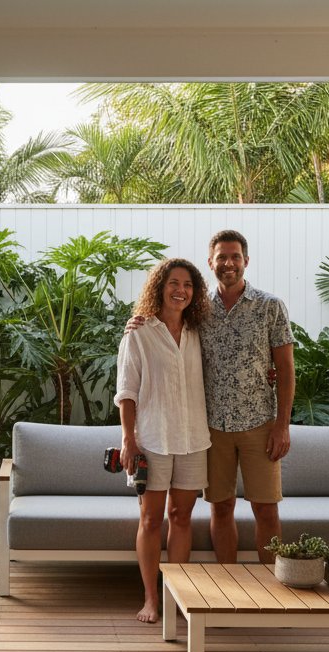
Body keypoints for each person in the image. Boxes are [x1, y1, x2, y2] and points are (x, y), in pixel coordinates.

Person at [125, 229, 294, 564]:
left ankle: (274, 591)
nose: (228, 263)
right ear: (211, 263)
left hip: (259, 423)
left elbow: (286, 371)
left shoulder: (269, 306)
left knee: (266, 508)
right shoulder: (199, 311)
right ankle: (227, 589)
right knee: (221, 507)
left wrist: (282, 426)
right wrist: (137, 320)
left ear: (246, 261)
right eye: (222, 258)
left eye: (235, 257)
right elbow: (164, 325)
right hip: (211, 427)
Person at [114, 258, 211, 623]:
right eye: (173, 282)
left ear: (194, 292)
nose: (180, 290)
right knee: (151, 520)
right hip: (151, 439)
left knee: (181, 517)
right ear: (160, 287)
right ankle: (151, 598)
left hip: (192, 439)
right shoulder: (138, 333)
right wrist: (128, 439)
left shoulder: (200, 332)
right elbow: (127, 393)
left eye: (187, 284)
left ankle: (177, 597)